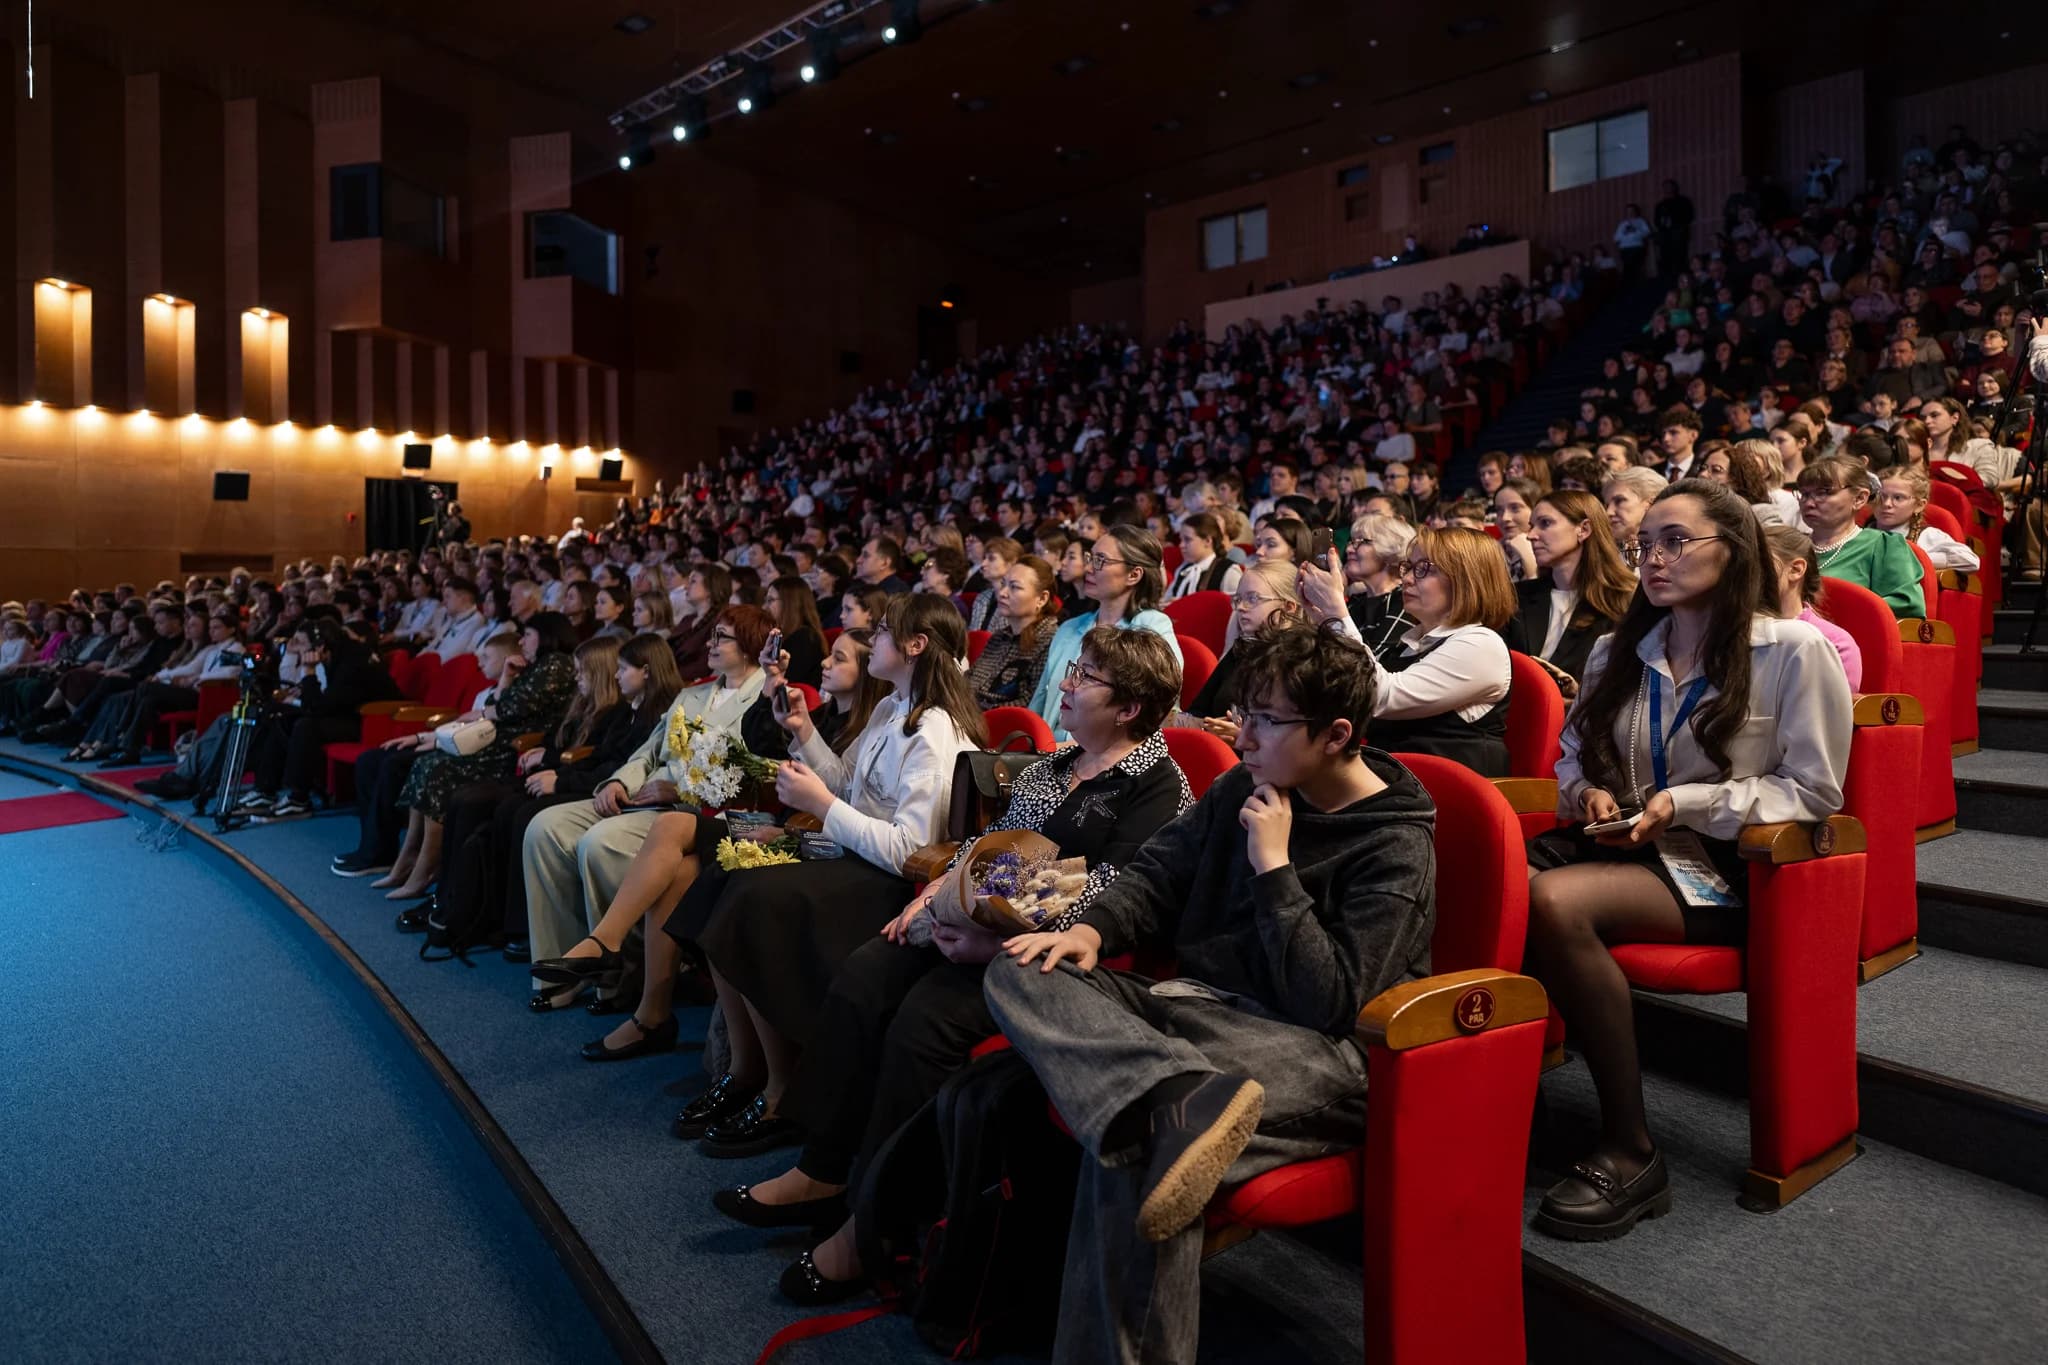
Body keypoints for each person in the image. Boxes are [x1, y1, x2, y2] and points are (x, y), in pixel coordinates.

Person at [982, 618, 1436, 1365]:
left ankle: (1162, 1102)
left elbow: (1330, 1003)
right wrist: (1092, 928)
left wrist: (1274, 868)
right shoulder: (1239, 786)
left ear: (1335, 735)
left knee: (1139, 1144)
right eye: (1244, 713)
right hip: (1190, 1017)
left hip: (1310, 1049)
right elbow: (1158, 873)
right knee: (1019, 968)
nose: (1243, 736)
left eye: (1267, 720)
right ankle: (1165, 1094)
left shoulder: (1394, 842)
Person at [724, 628, 1194, 1304]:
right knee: (868, 971)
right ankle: (822, 1168)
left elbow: (1109, 897)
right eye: (1074, 669)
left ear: (1129, 708)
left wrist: (984, 940)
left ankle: (873, 1225)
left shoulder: (1158, 788)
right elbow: (991, 846)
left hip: (1057, 960)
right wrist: (935, 896)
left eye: (1086, 677)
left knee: (926, 1021)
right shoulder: (1057, 764)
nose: (1065, 683)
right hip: (987, 925)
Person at [1524, 480, 1851, 1240]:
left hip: (1728, 865)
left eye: (1676, 541)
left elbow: (1814, 791)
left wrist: (1688, 804)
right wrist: (1588, 791)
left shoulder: (1792, 648)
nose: (1653, 558)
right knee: (1493, 879)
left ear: (1731, 551)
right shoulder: (1616, 650)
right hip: (1626, 842)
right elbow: (1573, 757)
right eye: (1645, 545)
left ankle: (1631, 1149)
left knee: (1551, 902)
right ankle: (1493, 1098)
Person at [664, 593, 984, 1140]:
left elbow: (910, 850)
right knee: (724, 875)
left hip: (890, 884)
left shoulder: (934, 733)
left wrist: (824, 808)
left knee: (755, 898)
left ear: (916, 645)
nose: (873, 638)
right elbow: (846, 785)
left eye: (883, 631)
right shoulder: (890, 708)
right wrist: (804, 732)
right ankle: (743, 1068)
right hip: (854, 856)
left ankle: (780, 1092)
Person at [519, 605, 773, 1008]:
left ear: (748, 644)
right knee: (544, 827)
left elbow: (754, 773)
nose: (710, 644)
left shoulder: (764, 697)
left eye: (721, 637)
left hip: (693, 809)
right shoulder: (693, 693)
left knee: (599, 843)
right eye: (711, 635)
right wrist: (620, 781)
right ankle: (564, 966)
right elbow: (648, 751)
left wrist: (678, 791)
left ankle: (619, 973)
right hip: (645, 793)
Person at [427, 634, 681, 954]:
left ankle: (519, 925)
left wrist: (560, 780)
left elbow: (620, 767)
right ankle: (462, 906)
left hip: (620, 796)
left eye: (623, 668)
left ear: (646, 671)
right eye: (615, 668)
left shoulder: (654, 714)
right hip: (594, 781)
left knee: (519, 812)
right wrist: (557, 772)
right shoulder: (628, 709)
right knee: (485, 802)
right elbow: (598, 757)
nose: (616, 676)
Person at [379, 615, 582, 899]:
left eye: (528, 635)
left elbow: (511, 708)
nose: (522, 641)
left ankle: (426, 865)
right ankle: (410, 855)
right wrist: (506, 677)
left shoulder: (556, 663)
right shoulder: (535, 666)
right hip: (498, 741)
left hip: (515, 748)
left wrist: (486, 712)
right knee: (425, 763)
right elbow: (496, 702)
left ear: (548, 635)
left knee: (438, 770)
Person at [1302, 526, 1514, 775]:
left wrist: (1336, 614)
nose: (1407, 579)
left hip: (1446, 789)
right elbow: (1351, 698)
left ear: (1467, 579)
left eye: (1424, 569)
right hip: (1396, 780)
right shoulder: (1412, 644)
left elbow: (1380, 697)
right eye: (1409, 567)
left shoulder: (1481, 645)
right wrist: (1323, 619)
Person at [1026, 526, 1183, 743]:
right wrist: (1028, 743)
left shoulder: (1151, 628)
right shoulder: (1069, 628)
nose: (1088, 568)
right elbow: (1039, 702)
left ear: (1134, 575)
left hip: (1107, 753)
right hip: (1048, 748)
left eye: (1100, 560)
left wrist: (1060, 749)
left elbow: (1151, 716)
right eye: (1090, 558)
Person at [241, 620, 404, 819]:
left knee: (306, 726)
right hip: (350, 714)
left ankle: (298, 799)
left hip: (376, 722)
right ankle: (265, 789)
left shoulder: (353, 659)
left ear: (319, 645)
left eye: (301, 643)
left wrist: (309, 671)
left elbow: (319, 707)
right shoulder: (338, 653)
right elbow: (322, 704)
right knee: (280, 715)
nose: (297, 648)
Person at [1168, 559, 1301, 743]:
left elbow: (1295, 739)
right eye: (1238, 599)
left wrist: (1245, 737)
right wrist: (1207, 727)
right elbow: (1196, 712)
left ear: (1288, 607)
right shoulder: (1241, 650)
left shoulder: (1300, 662)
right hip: (1218, 749)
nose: (1240, 607)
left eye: (1252, 599)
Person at [1516, 490, 1637, 692]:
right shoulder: (1517, 596)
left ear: (1583, 529)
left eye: (1545, 523)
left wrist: (1578, 695)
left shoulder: (1623, 600)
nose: (1531, 535)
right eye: (1531, 526)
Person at [1794, 455, 1926, 618]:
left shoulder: (1883, 546)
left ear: (1859, 498)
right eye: (1804, 494)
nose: (1808, 503)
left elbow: (1907, 606)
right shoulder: (1791, 547)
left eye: (1823, 492)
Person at [1762, 525, 1862, 689]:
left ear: (1796, 570)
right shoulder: (1735, 629)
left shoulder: (1835, 644)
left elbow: (1829, 704)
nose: (1748, 575)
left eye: (1760, 564)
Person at [967, 554, 1059, 711]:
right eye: (1003, 584)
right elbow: (968, 682)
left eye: (1014, 587)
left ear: (1042, 599)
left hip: (1000, 722)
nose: (1002, 593)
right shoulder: (999, 637)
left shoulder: (1051, 642)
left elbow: (1030, 703)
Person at [1872, 466, 1979, 571]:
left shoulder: (1926, 536)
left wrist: (1916, 558)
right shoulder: (1864, 531)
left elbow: (1970, 560)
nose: (1887, 504)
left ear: (1919, 505)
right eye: (1881, 496)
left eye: (1898, 498)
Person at [1343, 512, 1418, 655]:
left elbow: (1372, 659)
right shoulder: (1357, 602)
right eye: (1352, 541)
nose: (1349, 549)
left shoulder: (1405, 600)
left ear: (1391, 548)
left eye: (1362, 542)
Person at [763, 576, 828, 688]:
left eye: (770, 600)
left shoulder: (804, 638)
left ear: (789, 602)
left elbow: (788, 683)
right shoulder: (785, 635)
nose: (764, 607)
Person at [670, 564, 730, 679]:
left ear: (711, 588)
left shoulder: (720, 623)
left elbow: (704, 666)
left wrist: (666, 677)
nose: (686, 587)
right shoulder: (687, 620)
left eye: (693, 581)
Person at [1166, 513, 1242, 601]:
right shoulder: (1184, 569)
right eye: (1181, 539)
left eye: (1187, 539)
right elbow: (1168, 599)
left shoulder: (1228, 571)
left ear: (1207, 541)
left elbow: (1235, 607)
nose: (1181, 545)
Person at [1602, 467, 1669, 545]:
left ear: (1651, 504)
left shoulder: (1676, 548)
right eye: (1607, 505)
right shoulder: (1600, 550)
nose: (1608, 512)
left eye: (1619, 501)